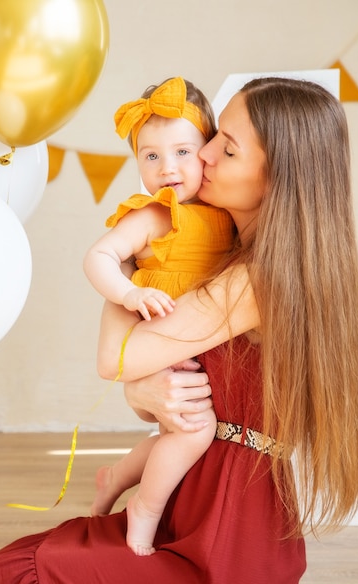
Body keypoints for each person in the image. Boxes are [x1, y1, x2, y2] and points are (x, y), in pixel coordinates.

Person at [0, 76, 358, 584]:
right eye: (214, 136)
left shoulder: (253, 283)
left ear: (275, 178)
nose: (205, 155)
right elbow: (187, 393)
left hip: (222, 548)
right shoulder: (232, 254)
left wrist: (132, 261)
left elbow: (115, 358)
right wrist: (145, 390)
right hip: (200, 505)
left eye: (227, 148)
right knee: (14, 571)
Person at [84, 76, 234, 555]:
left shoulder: (223, 213)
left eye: (182, 152)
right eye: (151, 156)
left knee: (181, 433)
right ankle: (143, 513)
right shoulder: (152, 214)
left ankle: (116, 475)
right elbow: (99, 257)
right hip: (162, 338)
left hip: (198, 343)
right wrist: (128, 295)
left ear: (207, 150)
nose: (167, 168)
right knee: (196, 430)